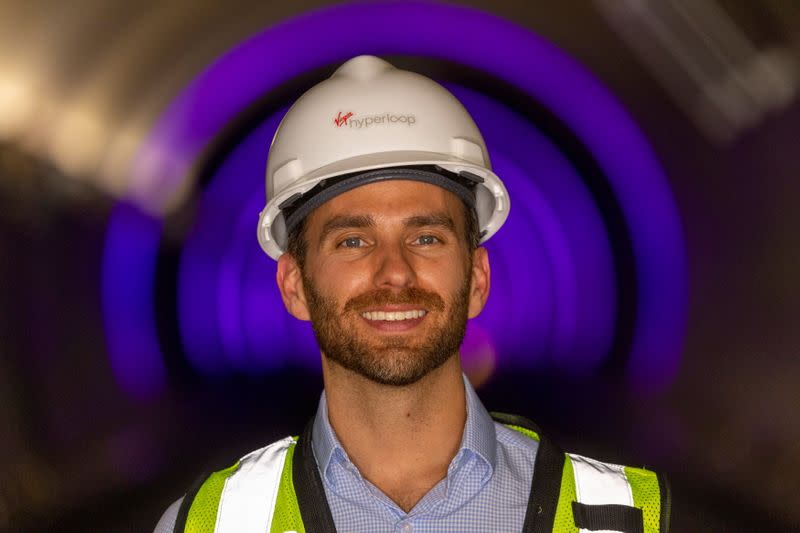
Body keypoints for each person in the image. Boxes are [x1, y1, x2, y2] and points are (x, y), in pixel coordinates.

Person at [155, 55, 670, 533]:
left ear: (477, 279)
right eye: (352, 241)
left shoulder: (624, 518)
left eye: (426, 238)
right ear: (294, 285)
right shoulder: (209, 522)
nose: (395, 272)